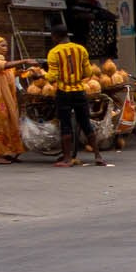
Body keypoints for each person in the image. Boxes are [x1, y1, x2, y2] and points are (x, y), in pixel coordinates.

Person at [44, 27, 107, 168]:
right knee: (85, 123)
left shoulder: (54, 52)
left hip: (63, 92)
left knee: (65, 125)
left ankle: (67, 159)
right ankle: (98, 156)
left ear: (55, 36)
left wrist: (41, 76)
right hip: (80, 91)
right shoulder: (81, 49)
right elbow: (88, 72)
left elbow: (52, 77)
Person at [0, 35, 33, 163]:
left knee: (8, 124)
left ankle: (8, 152)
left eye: (6, 45)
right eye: (2, 45)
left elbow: (10, 71)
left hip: (7, 100)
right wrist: (24, 60)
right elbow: (5, 66)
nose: (6, 48)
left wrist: (26, 72)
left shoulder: (2, 61)